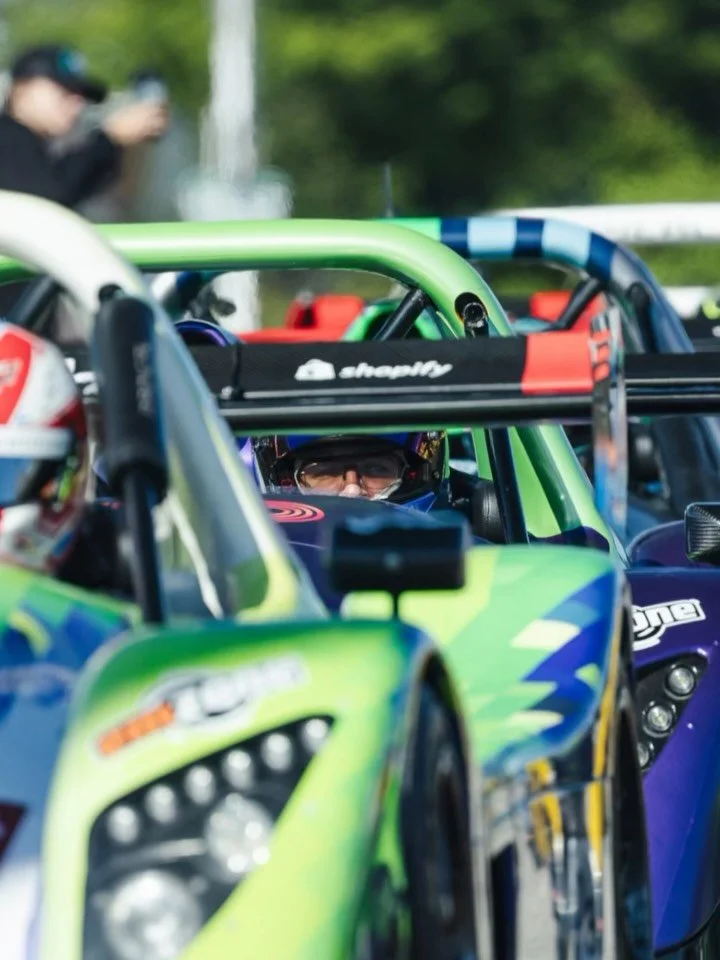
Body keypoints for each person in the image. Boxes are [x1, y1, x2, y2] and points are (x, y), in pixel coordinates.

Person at [0, 44, 168, 209]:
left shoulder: (27, 144)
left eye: (81, 97)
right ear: (22, 88)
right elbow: (43, 201)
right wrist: (109, 139)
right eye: (64, 91)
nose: (78, 105)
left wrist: (120, 143)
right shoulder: (8, 136)